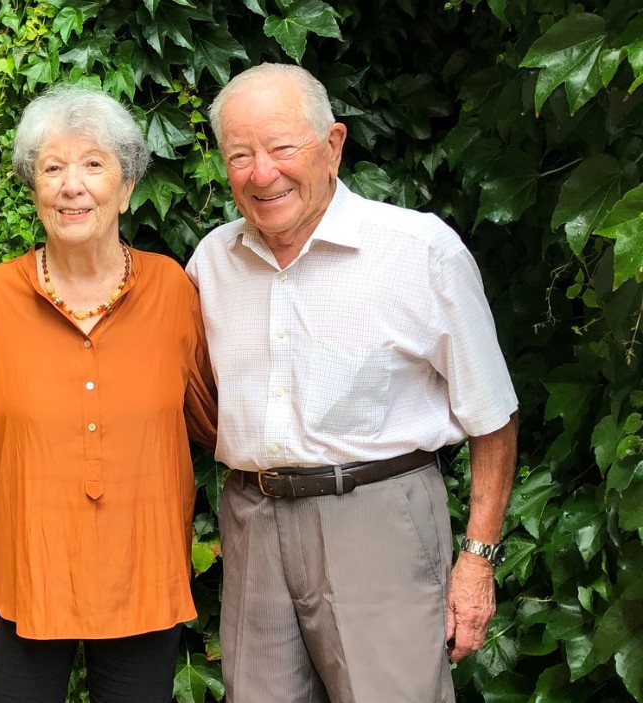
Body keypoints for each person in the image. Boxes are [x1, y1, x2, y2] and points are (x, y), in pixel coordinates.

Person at [186, 63, 518, 703]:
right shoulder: (211, 263)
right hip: (252, 520)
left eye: (282, 148)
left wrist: (477, 559)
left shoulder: (418, 251)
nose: (262, 173)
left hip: (379, 518)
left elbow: (493, 417)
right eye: (240, 155)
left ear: (332, 145)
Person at [0, 85, 219, 702]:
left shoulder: (172, 289)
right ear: (34, 189)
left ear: (125, 188)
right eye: (52, 168)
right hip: (23, 575)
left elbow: (215, 415)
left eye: (94, 165)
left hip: (140, 571)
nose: (73, 185)